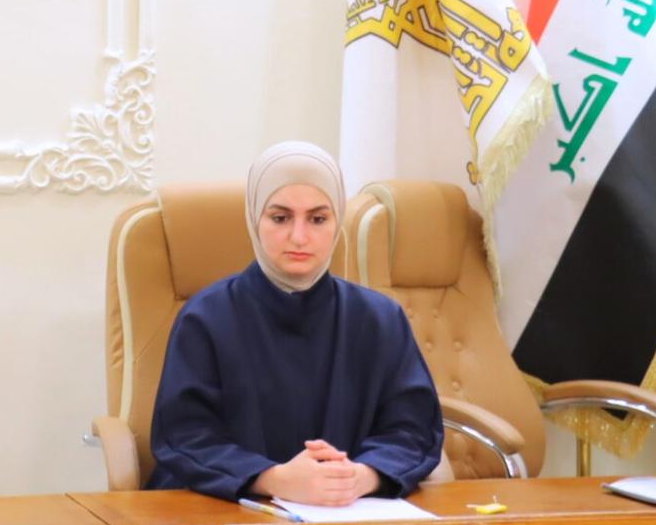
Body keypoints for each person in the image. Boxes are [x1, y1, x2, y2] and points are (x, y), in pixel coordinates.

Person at [146, 141, 443, 505]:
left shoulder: (381, 320)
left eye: (318, 219)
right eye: (280, 218)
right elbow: (184, 436)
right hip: (225, 512)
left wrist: (359, 477)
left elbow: (413, 429)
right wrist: (274, 480)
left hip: (351, 513)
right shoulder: (205, 318)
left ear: (337, 222)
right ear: (254, 218)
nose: (299, 237)